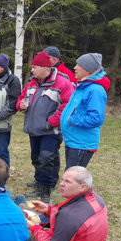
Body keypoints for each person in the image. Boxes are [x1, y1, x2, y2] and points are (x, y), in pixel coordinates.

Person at [25, 166, 108, 241]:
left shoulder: (69, 216)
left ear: (82, 187)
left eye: (68, 182)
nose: (61, 184)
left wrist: (34, 228)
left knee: (26, 228)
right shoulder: (97, 200)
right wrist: (48, 210)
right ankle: (21, 205)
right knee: (36, 217)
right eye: (62, 180)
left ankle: (19, 205)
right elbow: (75, 220)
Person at [17, 51, 74, 204]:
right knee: (36, 158)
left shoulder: (63, 83)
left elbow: (67, 106)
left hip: (50, 130)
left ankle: (46, 192)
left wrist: (50, 122)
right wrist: (21, 105)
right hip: (34, 129)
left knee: (46, 158)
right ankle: (39, 184)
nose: (32, 70)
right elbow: (21, 98)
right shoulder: (32, 83)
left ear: (45, 68)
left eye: (35, 67)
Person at [60, 53, 110, 169]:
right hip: (73, 141)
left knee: (74, 178)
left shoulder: (95, 90)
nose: (75, 68)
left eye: (79, 65)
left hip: (81, 143)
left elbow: (95, 118)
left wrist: (72, 119)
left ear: (88, 70)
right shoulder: (83, 86)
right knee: (72, 175)